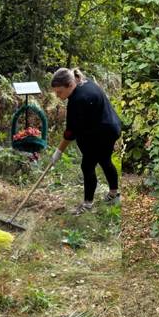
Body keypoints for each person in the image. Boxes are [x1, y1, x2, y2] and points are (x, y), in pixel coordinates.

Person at [50, 68, 121, 215]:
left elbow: (70, 132)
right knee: (105, 160)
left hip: (102, 133)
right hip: (110, 127)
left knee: (87, 166)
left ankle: (87, 204)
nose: (57, 95)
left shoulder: (78, 100)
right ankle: (114, 195)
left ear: (70, 84)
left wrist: (58, 152)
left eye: (59, 92)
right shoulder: (84, 83)